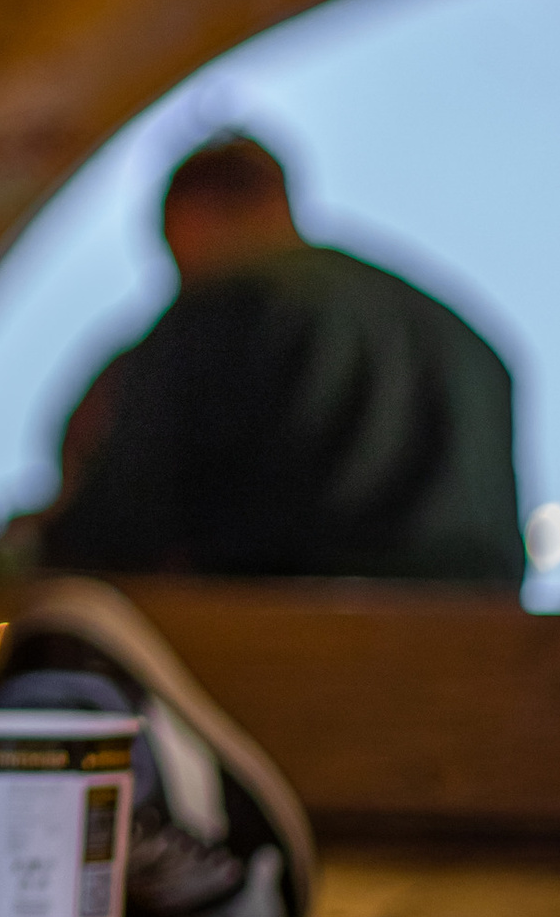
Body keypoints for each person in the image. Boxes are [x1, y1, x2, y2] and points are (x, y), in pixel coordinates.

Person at [43, 131, 524, 585]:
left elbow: (124, 522)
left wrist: (44, 545)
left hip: (275, 641)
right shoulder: (467, 340)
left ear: (194, 216)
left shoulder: (222, 308)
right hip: (478, 645)